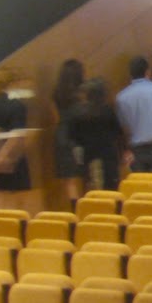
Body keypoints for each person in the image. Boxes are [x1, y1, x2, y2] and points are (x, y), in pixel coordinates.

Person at [67, 79, 123, 193]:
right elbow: (117, 132)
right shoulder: (107, 110)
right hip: (108, 155)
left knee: (92, 189)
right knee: (110, 188)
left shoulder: (77, 112)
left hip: (88, 155)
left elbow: (72, 135)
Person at [0, 68, 32, 210]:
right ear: (10, 84)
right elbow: (17, 136)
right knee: (14, 200)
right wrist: (1, 158)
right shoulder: (16, 106)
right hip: (11, 158)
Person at [51, 58, 86, 204]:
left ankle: (74, 211)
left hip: (62, 135)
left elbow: (55, 116)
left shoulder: (57, 92)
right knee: (87, 175)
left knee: (69, 179)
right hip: (79, 135)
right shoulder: (82, 93)